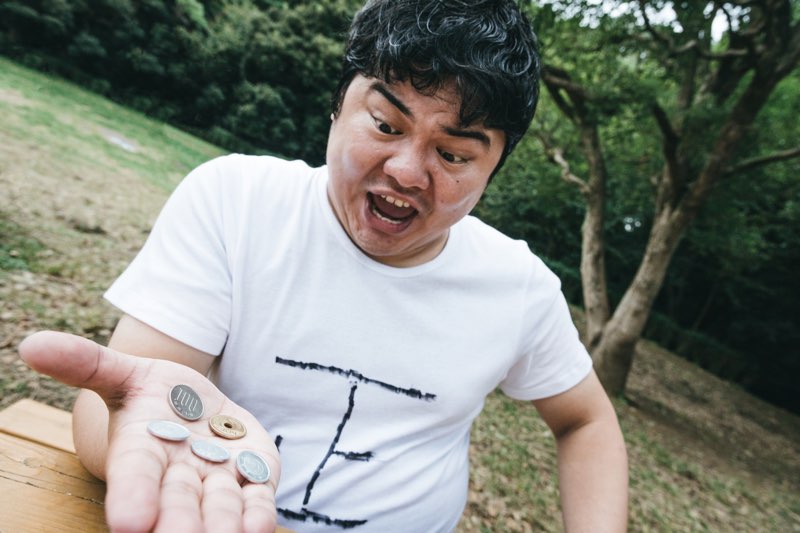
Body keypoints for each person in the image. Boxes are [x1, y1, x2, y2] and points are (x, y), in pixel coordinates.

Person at [19, 0, 629, 531]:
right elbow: (126, 404)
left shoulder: (519, 287)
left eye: (452, 155)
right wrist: (143, 434)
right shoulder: (236, 202)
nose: (406, 171)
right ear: (338, 104)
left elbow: (585, 420)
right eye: (385, 124)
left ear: (492, 170)